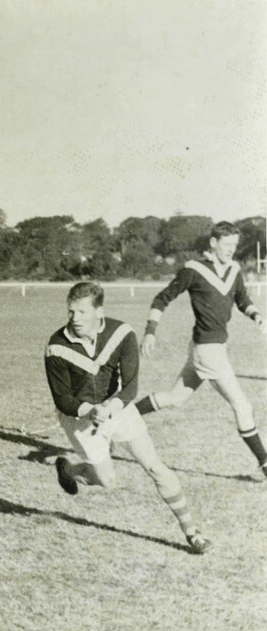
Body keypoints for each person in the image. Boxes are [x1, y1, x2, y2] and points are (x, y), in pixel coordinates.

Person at [45, 281, 210, 553]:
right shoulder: (56, 346)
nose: (74, 319)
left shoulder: (121, 333)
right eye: (71, 312)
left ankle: (192, 532)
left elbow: (131, 385)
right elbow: (62, 399)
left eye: (82, 312)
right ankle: (68, 469)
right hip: (80, 417)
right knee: (108, 482)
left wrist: (111, 407)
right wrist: (90, 410)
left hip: (117, 409)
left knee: (155, 466)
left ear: (99, 311)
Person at [135, 221, 267, 479]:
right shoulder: (194, 270)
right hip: (207, 351)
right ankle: (264, 463)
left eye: (234, 245)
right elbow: (162, 298)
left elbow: (242, 300)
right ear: (213, 243)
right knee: (242, 405)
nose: (231, 250)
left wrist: (256, 315)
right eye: (226, 245)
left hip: (210, 349)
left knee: (175, 398)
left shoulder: (233, 269)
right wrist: (150, 331)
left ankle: (122, 417)